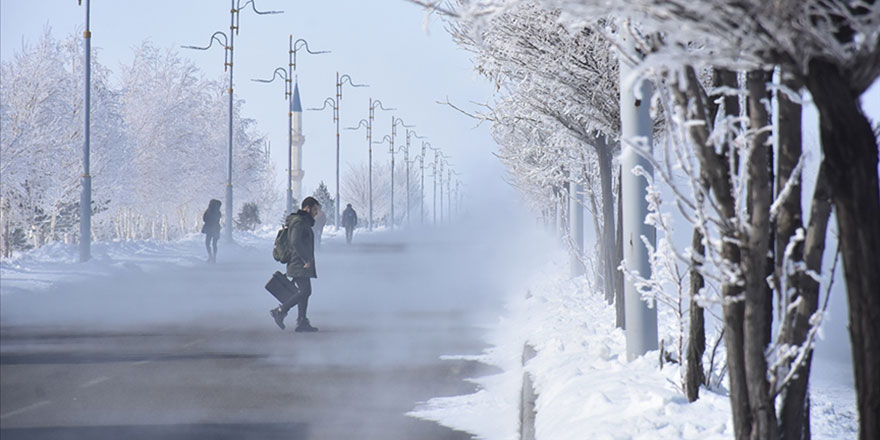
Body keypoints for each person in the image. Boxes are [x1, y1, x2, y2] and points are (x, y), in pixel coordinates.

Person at [270, 197, 320, 332]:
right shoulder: (299, 222)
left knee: (305, 291)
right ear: (307, 208)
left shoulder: (303, 222)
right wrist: (305, 259)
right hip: (298, 263)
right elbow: (295, 241)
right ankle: (280, 311)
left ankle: (302, 321)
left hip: (300, 262)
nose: (316, 212)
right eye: (315, 209)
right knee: (305, 291)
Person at [201, 199, 221, 263]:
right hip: (216, 228)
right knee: (214, 244)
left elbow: (204, 219)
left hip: (209, 229)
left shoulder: (208, 211)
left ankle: (210, 256)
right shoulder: (218, 211)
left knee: (207, 243)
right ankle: (214, 257)